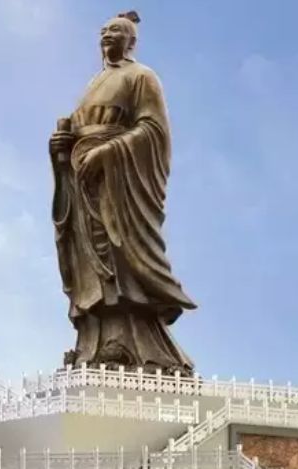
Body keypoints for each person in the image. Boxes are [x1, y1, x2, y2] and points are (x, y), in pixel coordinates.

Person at [49, 11, 197, 375]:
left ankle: (133, 343)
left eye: (115, 30)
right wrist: (62, 148)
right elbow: (82, 131)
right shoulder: (94, 83)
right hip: (84, 181)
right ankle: (96, 340)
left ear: (131, 40)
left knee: (118, 252)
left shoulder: (141, 77)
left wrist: (108, 152)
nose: (107, 35)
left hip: (118, 183)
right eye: (103, 30)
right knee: (86, 257)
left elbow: (154, 131)